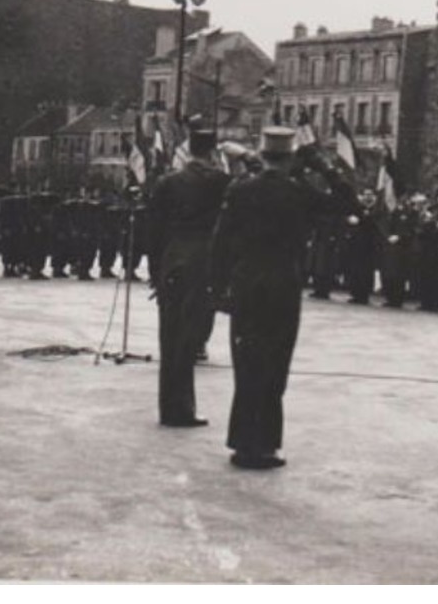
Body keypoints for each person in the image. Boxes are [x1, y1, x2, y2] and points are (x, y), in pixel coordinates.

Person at [210, 127, 354, 469]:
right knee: (275, 365)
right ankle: (266, 445)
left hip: (246, 285)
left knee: (246, 365)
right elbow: (347, 202)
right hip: (283, 286)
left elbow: (220, 242)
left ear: (262, 155)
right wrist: (323, 166)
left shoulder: (241, 190)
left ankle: (242, 443)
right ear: (291, 157)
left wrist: (217, 289)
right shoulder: (299, 193)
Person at [146, 127, 230, 428]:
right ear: (212, 153)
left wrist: (155, 272)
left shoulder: (167, 182)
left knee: (169, 336)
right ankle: (183, 409)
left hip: (171, 260)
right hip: (201, 262)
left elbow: (153, 230)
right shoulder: (219, 181)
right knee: (189, 338)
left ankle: (169, 407)